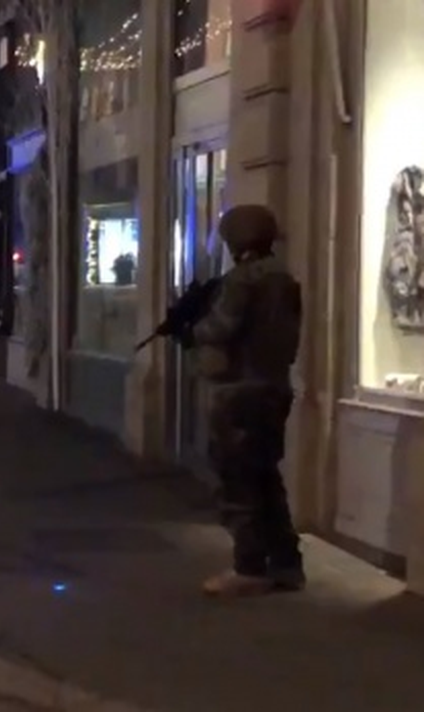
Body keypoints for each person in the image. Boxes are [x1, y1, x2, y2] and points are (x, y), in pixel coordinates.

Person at [188, 204, 304, 598]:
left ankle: (249, 567)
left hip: (239, 391)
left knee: (238, 482)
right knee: (267, 478)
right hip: (274, 387)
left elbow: (220, 327)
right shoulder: (284, 278)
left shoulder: (243, 279)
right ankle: (286, 563)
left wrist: (195, 327)